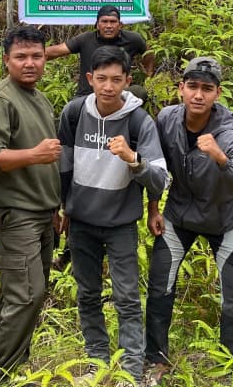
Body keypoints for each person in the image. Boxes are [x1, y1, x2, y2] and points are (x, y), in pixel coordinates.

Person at [144, 57, 233, 383]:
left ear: (217, 93)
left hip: (226, 220)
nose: (198, 95)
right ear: (180, 88)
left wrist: (221, 158)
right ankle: (157, 359)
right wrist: (153, 208)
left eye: (207, 89)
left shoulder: (231, 132)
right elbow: (155, 167)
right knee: (159, 285)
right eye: (192, 86)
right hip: (179, 215)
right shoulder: (166, 119)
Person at [57, 46, 167, 383]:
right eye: (101, 78)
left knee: (127, 297)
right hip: (82, 223)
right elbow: (63, 165)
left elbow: (160, 177)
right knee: (87, 294)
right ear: (89, 79)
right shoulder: (74, 112)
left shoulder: (139, 120)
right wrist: (61, 207)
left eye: (116, 79)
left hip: (120, 223)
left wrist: (132, 158)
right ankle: (97, 360)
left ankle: (131, 368)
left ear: (128, 81)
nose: (108, 86)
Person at [0, 25, 61, 386]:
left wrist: (55, 206)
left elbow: (50, 164)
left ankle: (15, 368)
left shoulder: (38, 98)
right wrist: (34, 155)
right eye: (21, 57)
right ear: (6, 60)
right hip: (17, 214)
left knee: (24, 295)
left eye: (37, 56)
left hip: (42, 213)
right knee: (26, 294)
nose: (30, 63)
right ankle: (2, 377)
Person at [45, 4, 153, 98]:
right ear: (97, 25)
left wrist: (149, 74)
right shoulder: (85, 39)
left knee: (140, 92)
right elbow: (57, 50)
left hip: (117, 95)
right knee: (71, 113)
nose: (109, 26)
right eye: (104, 21)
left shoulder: (133, 39)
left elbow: (149, 52)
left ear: (120, 25)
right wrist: (33, 55)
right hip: (87, 95)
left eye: (113, 22)